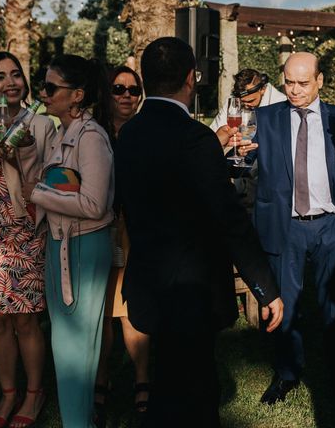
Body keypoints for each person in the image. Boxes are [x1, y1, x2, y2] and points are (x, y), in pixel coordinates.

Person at [114, 37, 283, 427]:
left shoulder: (129, 135)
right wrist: (265, 287)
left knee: (168, 385)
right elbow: (230, 221)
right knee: (198, 395)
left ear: (145, 78)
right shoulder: (195, 138)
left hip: (148, 285)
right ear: (191, 78)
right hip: (192, 293)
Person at [248, 52, 335, 404]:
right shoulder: (265, 118)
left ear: (320, 81)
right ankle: (287, 373)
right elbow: (243, 165)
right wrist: (234, 152)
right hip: (284, 227)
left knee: (333, 307)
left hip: (330, 225)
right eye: (288, 82)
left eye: (303, 83)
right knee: (286, 307)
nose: (295, 90)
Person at [25, 54, 115, 427]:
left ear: (77, 95)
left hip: (81, 248)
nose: (43, 94)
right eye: (42, 86)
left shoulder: (91, 138)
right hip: (60, 245)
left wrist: (39, 194)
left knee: (74, 349)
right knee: (66, 347)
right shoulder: (62, 133)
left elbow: (94, 205)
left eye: (50, 87)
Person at [0, 52, 55, 428]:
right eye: (0, 77)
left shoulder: (43, 126)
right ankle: (7, 394)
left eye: (16, 75)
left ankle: (33, 393)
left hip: (25, 229)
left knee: (26, 320)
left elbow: (47, 184)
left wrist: (20, 150)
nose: (11, 82)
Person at [94, 66, 149, 426]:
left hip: (136, 231)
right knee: (100, 307)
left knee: (133, 304)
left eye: (133, 89)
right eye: (118, 89)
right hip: (99, 228)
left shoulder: (145, 133)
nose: (127, 95)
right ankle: (100, 375)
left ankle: (143, 378)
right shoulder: (93, 134)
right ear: (107, 94)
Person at [211, 69, 286, 210]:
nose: (246, 105)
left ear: (263, 89)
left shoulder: (280, 104)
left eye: (251, 100)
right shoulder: (236, 102)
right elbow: (215, 131)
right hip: (239, 181)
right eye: (243, 102)